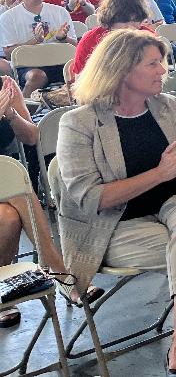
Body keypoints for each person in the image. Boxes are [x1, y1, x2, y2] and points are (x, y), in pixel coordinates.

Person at [59, 29, 176, 376]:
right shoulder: (78, 123)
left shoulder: (167, 107)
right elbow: (91, 200)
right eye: (152, 64)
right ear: (121, 70)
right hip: (112, 229)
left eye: (162, 62)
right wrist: (162, 173)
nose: (162, 70)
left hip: (173, 213)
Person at [0, 78, 99, 328]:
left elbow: (32, 137)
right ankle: (63, 275)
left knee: (11, 210)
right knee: (16, 193)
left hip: (6, 182)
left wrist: (10, 113)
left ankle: (6, 290)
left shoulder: (4, 86)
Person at [0, 0, 77, 96]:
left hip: (60, 62)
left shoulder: (60, 12)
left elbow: (74, 46)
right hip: (29, 65)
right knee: (37, 76)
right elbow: (9, 53)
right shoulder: (8, 18)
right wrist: (35, 40)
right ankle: (22, 111)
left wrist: (63, 38)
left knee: (84, 71)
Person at [72, 0, 154, 74]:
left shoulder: (148, 37)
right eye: (125, 21)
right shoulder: (90, 40)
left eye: (136, 20)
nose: (131, 27)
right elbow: (80, 80)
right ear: (110, 20)